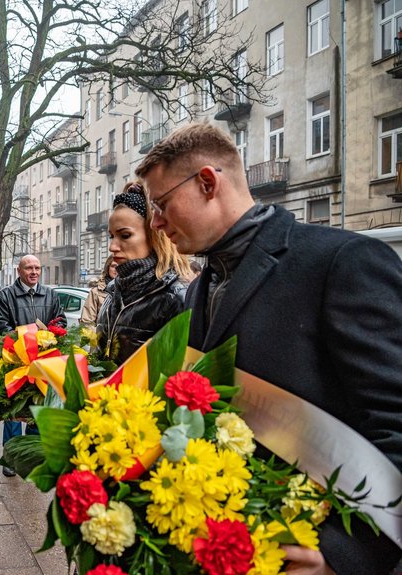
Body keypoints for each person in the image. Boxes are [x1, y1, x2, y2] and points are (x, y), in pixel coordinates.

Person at [135, 122, 402, 575]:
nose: (155, 222)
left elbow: (395, 421)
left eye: (161, 204)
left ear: (207, 182)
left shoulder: (342, 262)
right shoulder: (201, 287)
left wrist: (343, 556)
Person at [95, 182, 193, 364]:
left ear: (154, 235)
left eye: (124, 236)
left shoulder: (176, 296)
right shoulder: (112, 292)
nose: (112, 247)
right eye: (111, 236)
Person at [0, 254, 66, 476]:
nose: (34, 272)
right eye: (29, 268)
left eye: (37, 268)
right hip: (17, 362)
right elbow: (1, 327)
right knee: (15, 411)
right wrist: (25, 341)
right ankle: (11, 458)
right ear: (19, 271)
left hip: (44, 362)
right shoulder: (5, 296)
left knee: (38, 408)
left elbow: (60, 321)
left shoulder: (50, 294)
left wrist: (50, 336)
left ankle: (32, 457)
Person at [80, 255, 117, 327]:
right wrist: (98, 337)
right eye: (113, 266)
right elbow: (87, 322)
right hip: (101, 336)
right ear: (107, 268)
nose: (117, 269)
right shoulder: (96, 292)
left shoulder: (131, 290)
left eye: (121, 266)